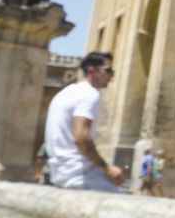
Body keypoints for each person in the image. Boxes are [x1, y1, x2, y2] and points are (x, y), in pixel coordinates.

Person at [44, 52, 126, 193]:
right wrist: (108, 168)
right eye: (108, 71)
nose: (111, 77)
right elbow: (82, 139)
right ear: (91, 70)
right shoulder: (89, 95)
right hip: (79, 175)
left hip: (59, 173)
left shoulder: (65, 93)